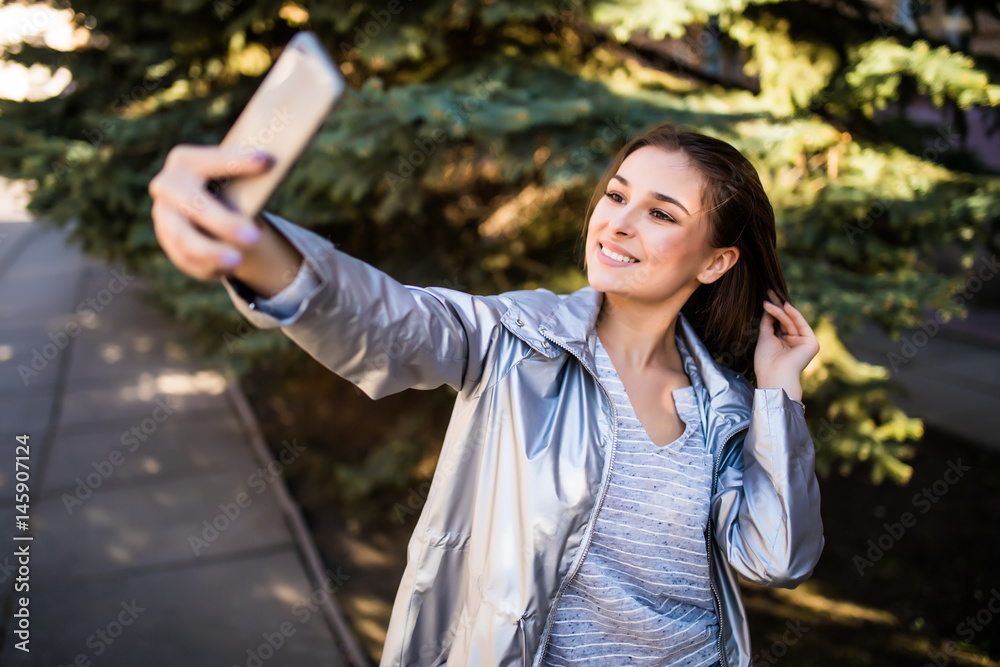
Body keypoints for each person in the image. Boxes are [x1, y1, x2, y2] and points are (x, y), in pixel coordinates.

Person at [149, 121, 824, 667]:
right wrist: (249, 244)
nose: (617, 223)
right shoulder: (519, 340)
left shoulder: (723, 404)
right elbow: (394, 322)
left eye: (660, 213)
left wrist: (778, 390)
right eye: (616, 196)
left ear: (716, 260)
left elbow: (773, 556)